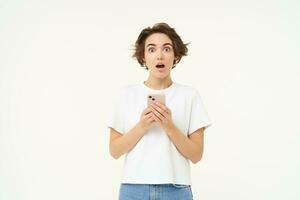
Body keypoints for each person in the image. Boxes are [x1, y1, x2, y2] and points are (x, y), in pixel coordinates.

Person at [107, 22, 212, 200]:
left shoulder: (190, 95)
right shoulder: (126, 94)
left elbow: (196, 155)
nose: (160, 56)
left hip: (176, 190)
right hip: (134, 189)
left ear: (175, 55)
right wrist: (142, 126)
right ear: (143, 56)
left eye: (167, 48)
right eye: (152, 49)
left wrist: (169, 126)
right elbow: (114, 150)